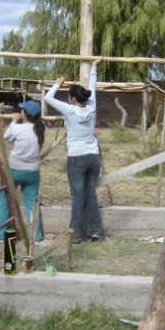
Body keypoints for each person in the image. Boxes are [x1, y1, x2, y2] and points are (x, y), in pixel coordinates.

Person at [44, 60, 102, 244]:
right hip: (93, 157)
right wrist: (94, 66)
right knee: (90, 193)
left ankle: (76, 235)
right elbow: (92, 86)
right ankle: (95, 232)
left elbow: (48, 99)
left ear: (72, 99)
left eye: (69, 97)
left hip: (77, 158)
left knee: (78, 197)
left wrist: (57, 84)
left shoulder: (69, 110)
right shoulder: (91, 107)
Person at [0, 100, 46, 243]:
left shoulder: (18, 128)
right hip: (32, 172)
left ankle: (1, 235)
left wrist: (13, 121)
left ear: (24, 114)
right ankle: (36, 237)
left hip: (14, 170)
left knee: (3, 200)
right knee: (32, 204)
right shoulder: (40, 129)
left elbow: (6, 138)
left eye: (22, 110)